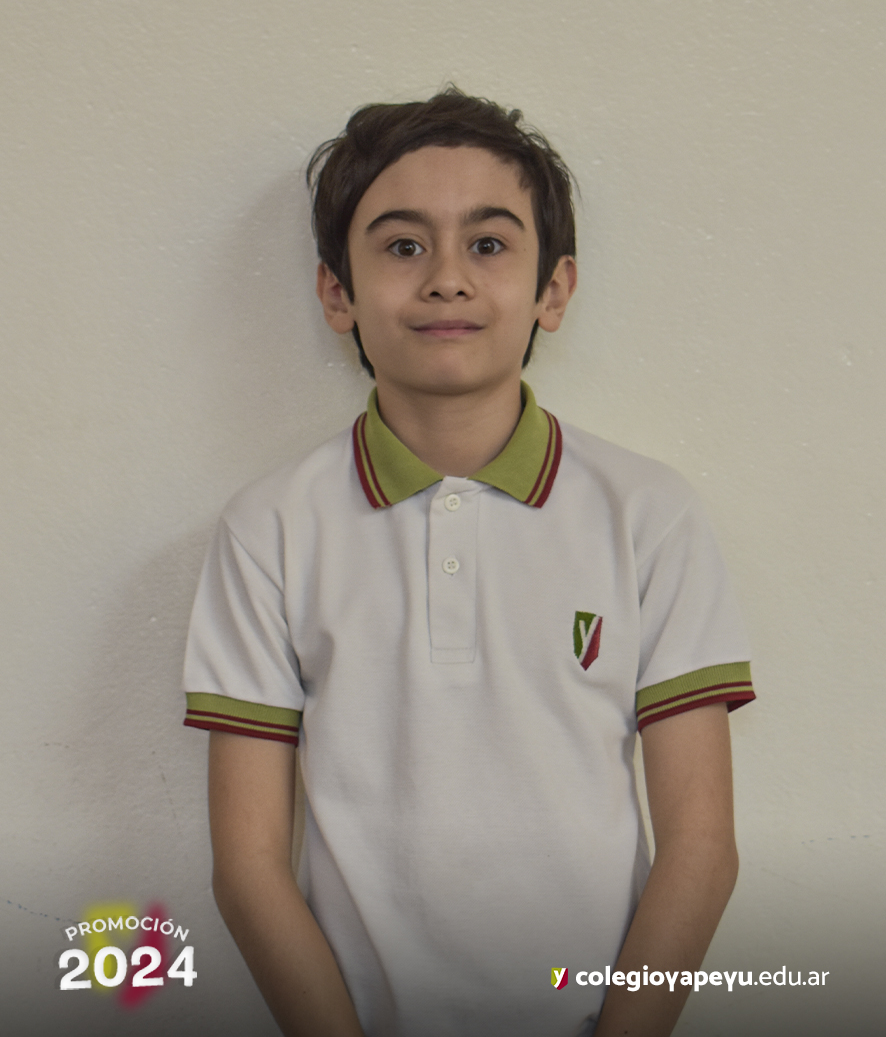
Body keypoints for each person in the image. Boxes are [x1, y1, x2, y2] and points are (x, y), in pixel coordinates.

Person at [182, 88, 755, 1037]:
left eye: (488, 244)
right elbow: (247, 866)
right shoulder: (269, 529)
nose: (447, 278)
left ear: (553, 291)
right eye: (403, 245)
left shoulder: (649, 515)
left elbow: (700, 846)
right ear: (337, 292)